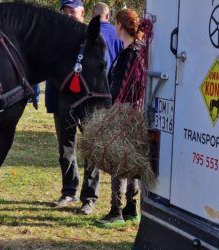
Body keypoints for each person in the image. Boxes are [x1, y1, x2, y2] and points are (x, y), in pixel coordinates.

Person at [46, 0, 98, 215]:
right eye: (64, 11)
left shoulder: (93, 37)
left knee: (91, 150)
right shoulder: (54, 39)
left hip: (87, 101)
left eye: (72, 11)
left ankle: (89, 198)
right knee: (65, 149)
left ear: (83, 12)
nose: (68, 15)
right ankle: (69, 191)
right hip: (63, 100)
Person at [94, 8, 142, 227]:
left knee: (119, 162)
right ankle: (132, 208)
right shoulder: (139, 50)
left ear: (120, 26)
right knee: (132, 162)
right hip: (136, 114)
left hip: (124, 114)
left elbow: (118, 87)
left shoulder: (128, 54)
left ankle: (116, 211)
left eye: (115, 24)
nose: (114, 28)